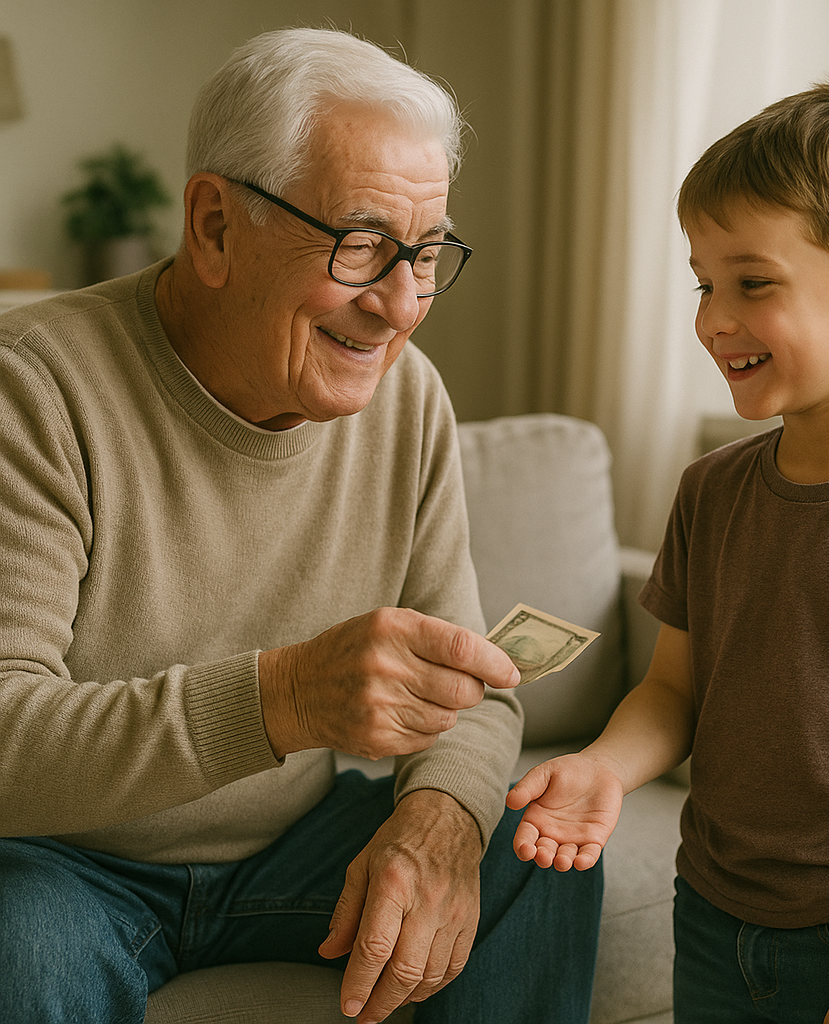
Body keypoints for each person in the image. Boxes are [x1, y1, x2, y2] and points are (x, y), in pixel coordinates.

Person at [0, 27, 601, 1024]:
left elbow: (477, 689)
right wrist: (281, 696)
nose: (400, 306)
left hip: (293, 848)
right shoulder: (38, 390)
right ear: (214, 225)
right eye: (362, 244)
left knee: (541, 857)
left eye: (425, 253)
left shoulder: (408, 402)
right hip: (66, 859)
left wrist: (439, 813)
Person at [507, 80, 829, 1024]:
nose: (711, 318)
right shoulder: (711, 491)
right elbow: (673, 692)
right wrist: (603, 767)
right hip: (711, 912)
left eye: (753, 283)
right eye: (704, 282)